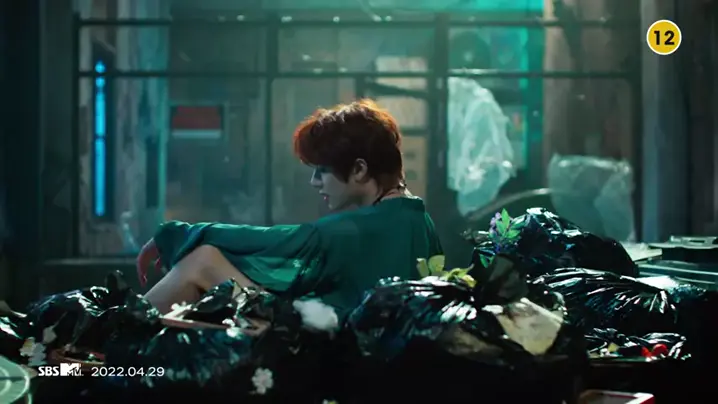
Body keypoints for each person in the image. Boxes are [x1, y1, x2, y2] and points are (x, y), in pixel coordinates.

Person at [137, 99, 444, 318]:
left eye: (322, 170)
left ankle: (116, 347)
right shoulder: (420, 220)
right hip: (363, 350)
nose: (315, 181)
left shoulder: (357, 228)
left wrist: (175, 234)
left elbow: (269, 242)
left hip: (328, 348)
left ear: (359, 169)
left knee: (202, 260)